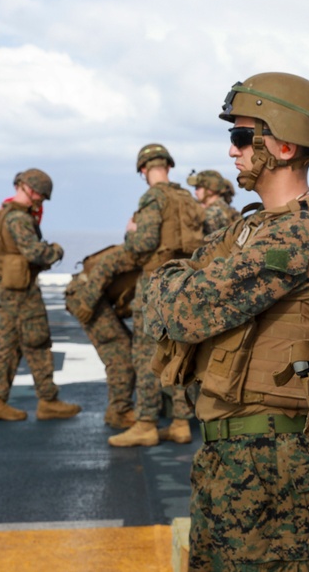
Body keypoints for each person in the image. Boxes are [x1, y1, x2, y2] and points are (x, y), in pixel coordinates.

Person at [142, 72, 309, 571]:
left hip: (270, 455)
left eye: (242, 136)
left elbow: (183, 309)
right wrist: (176, 282)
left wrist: (172, 280)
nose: (232, 151)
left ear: (286, 144)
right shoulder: (250, 227)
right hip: (232, 448)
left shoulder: (303, 234)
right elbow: (171, 295)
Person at [108, 144, 205, 447]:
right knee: (177, 352)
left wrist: (130, 232)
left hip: (153, 284)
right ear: (168, 166)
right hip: (182, 281)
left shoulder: (153, 198)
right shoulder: (186, 198)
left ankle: (146, 423)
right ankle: (179, 422)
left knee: (146, 355)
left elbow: (143, 242)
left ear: (143, 170)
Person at [0, 168, 82, 422]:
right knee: (37, 343)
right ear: (33, 190)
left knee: (8, 348)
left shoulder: (4, 213)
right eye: (42, 196)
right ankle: (48, 401)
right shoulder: (19, 219)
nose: (41, 201)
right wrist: (56, 251)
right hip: (22, 294)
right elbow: (36, 253)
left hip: (7, 289)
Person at [64, 244, 138, 429]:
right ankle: (119, 412)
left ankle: (119, 408)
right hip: (86, 295)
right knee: (120, 351)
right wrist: (88, 304)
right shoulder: (146, 246)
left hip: (92, 295)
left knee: (125, 346)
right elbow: (107, 264)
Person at [187, 168, 241, 235]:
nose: (195, 192)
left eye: (198, 188)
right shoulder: (225, 208)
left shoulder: (213, 212)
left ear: (210, 190)